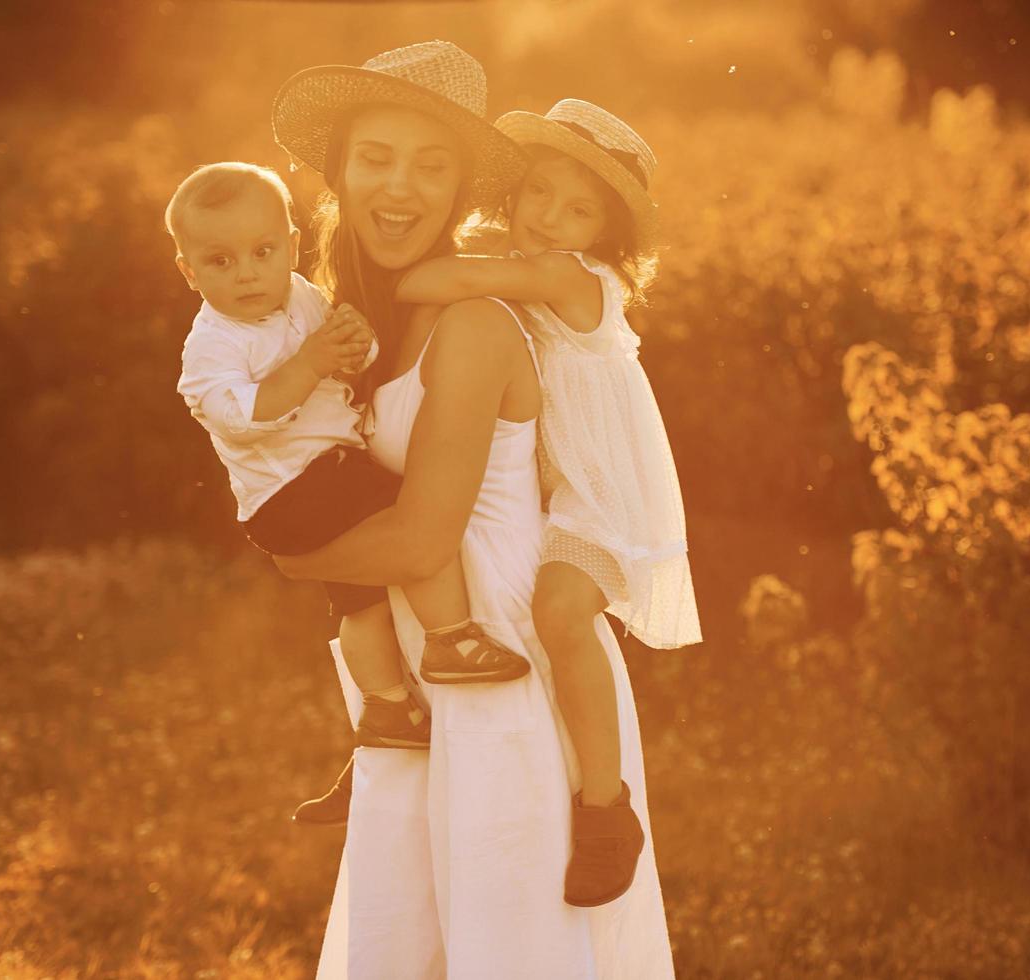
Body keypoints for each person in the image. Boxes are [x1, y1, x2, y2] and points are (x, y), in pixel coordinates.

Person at [269, 40, 675, 977]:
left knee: (506, 947)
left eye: (432, 164)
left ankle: (603, 808)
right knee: (403, 943)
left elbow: (419, 540)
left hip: (506, 675)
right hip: (421, 687)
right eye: (376, 158)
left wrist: (290, 553)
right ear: (338, 173)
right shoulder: (352, 325)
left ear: (461, 192)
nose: (400, 187)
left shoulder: (477, 322)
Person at [393, 98, 701, 906]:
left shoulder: (569, 274)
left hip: (607, 497)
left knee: (562, 613)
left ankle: (605, 807)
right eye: (539, 194)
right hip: (564, 485)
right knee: (544, 609)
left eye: (579, 210)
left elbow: (443, 276)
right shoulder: (529, 261)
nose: (552, 219)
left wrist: (397, 270)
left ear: (604, 235)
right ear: (514, 192)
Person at [167, 162, 531, 786]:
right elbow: (237, 417)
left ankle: (386, 705)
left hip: (319, 477)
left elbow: (347, 360)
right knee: (403, 504)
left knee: (361, 603)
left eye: (263, 250)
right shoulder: (213, 344)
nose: (248, 272)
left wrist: (353, 342)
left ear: (293, 243)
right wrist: (309, 366)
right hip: (293, 489)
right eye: (221, 261)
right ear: (188, 270)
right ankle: (450, 638)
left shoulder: (304, 296)